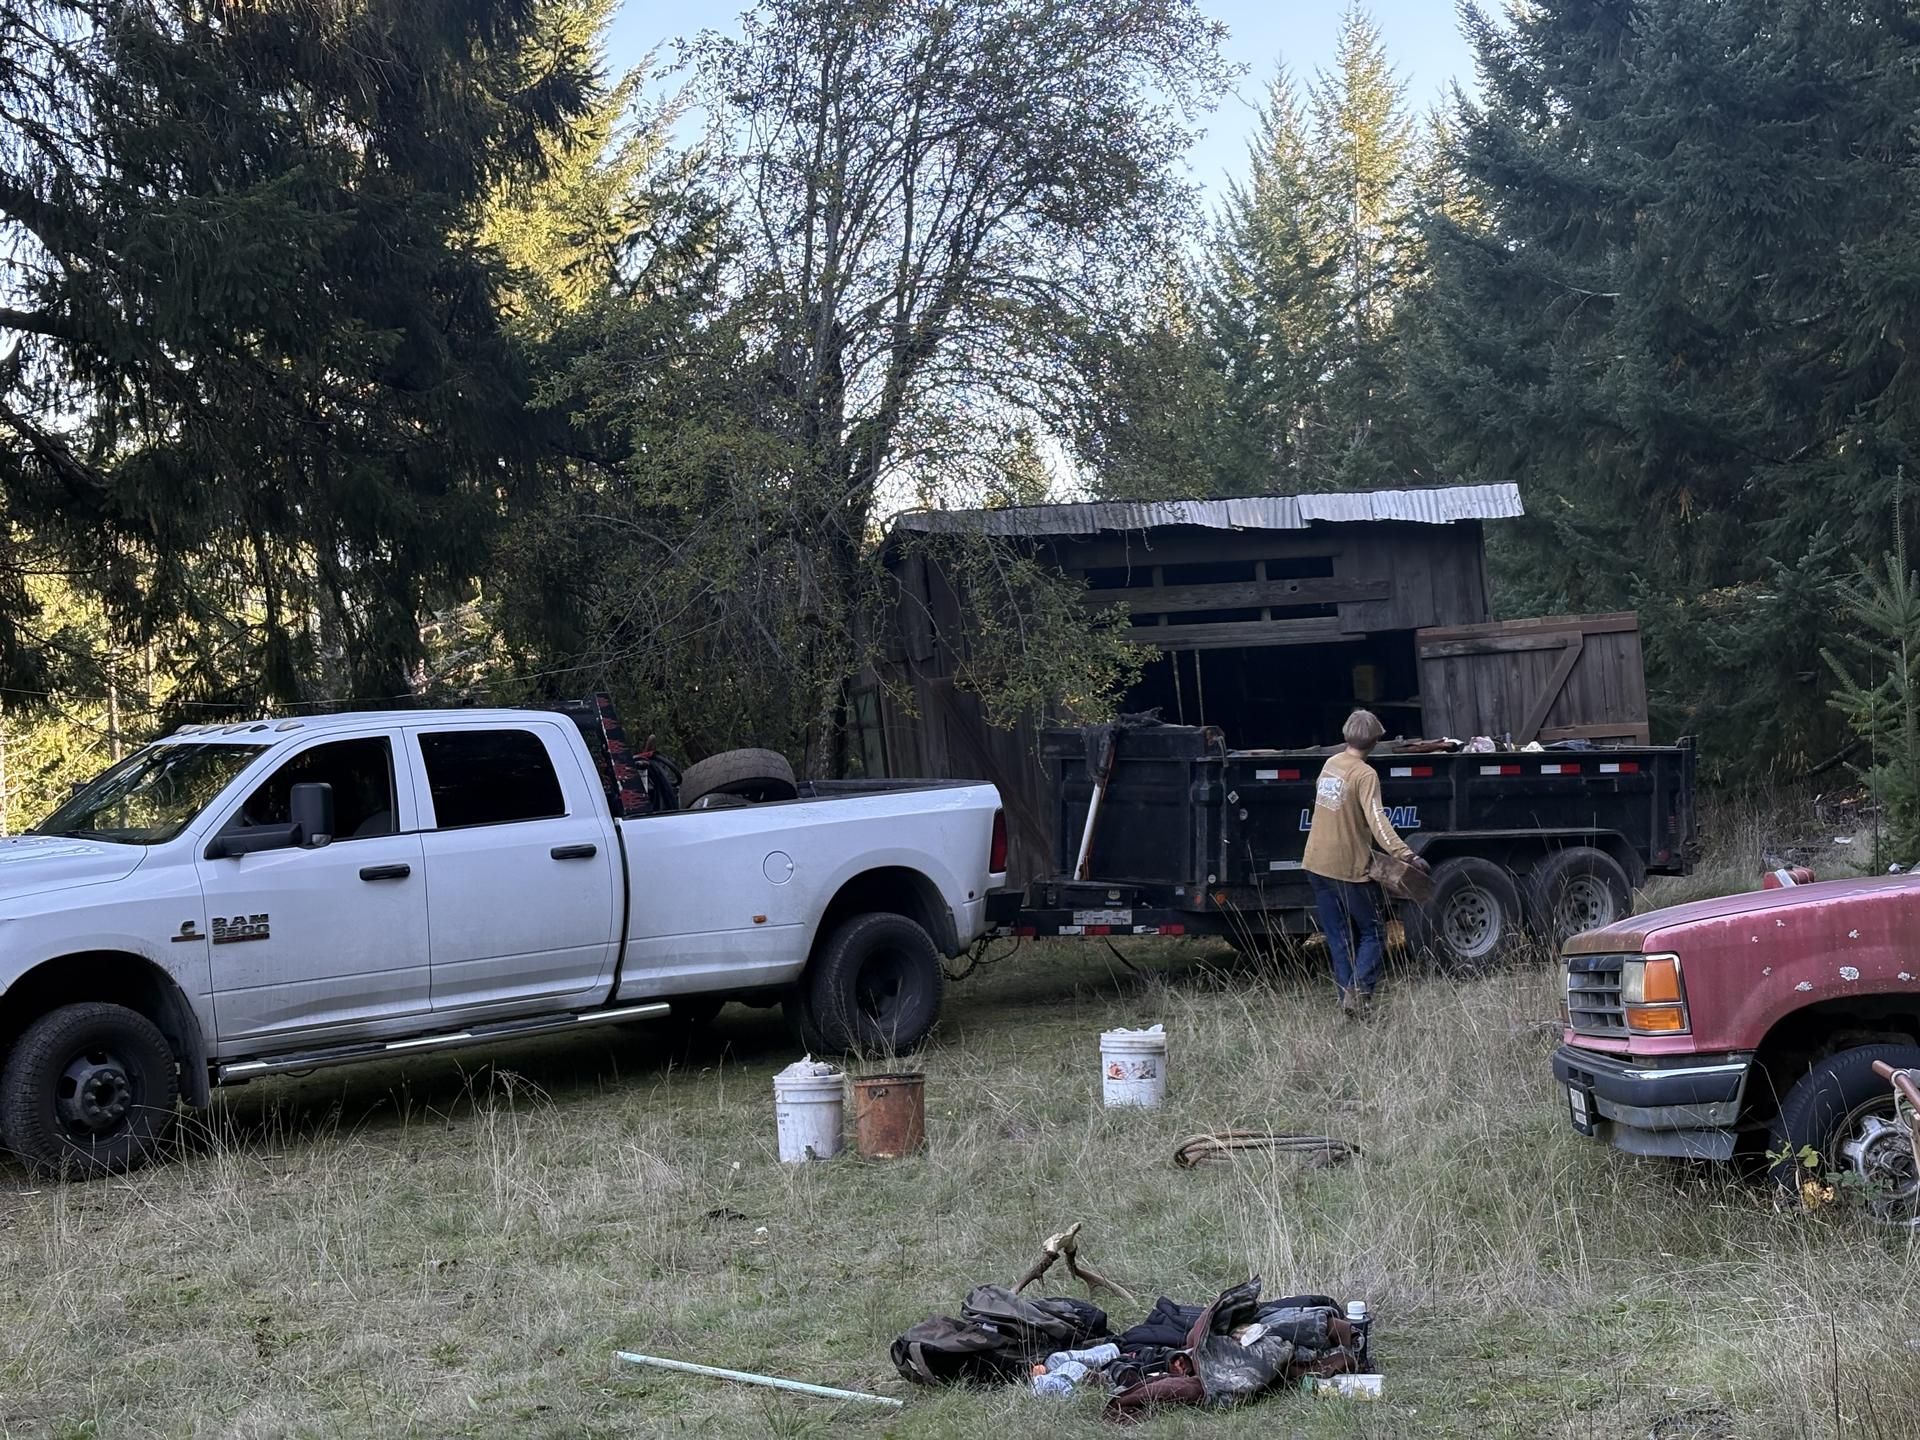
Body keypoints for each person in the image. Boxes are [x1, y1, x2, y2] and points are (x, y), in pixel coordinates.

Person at [1302, 708, 1427, 1017]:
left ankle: (1347, 999)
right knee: (1373, 933)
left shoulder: (1330, 765)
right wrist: (1406, 854)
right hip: (1346, 868)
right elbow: (1378, 820)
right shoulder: (1364, 774)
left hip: (1315, 863)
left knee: (1338, 938)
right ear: (1374, 741)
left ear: (1347, 735)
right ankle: (1359, 995)